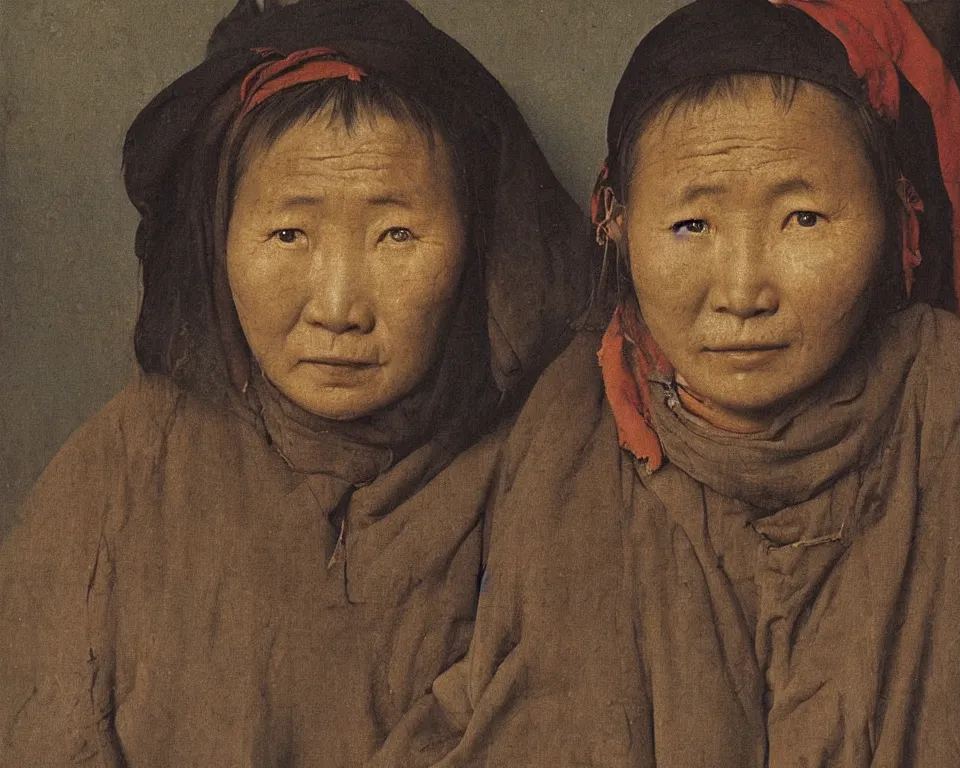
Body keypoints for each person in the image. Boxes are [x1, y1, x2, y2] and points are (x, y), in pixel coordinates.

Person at [375, 0, 960, 765]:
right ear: (614, 218)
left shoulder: (941, 397)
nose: (743, 290)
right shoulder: (575, 418)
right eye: (692, 226)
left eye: (804, 219)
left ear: (894, 218)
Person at [0, 0, 590, 763]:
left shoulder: (553, 464)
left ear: (475, 244)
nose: (338, 306)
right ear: (219, 242)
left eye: (396, 234)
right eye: (289, 233)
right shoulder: (128, 461)